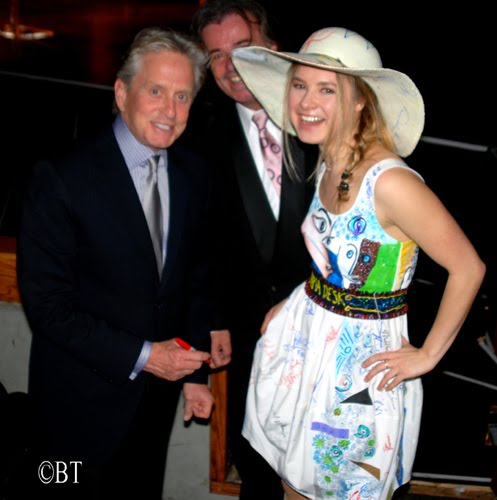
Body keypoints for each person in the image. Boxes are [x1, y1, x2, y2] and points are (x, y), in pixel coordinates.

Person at [231, 27, 486, 499]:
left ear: (362, 100)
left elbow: (469, 267)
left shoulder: (390, 182)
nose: (307, 101)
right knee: (293, 486)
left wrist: (428, 355)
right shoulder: (329, 162)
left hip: (361, 370)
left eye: (328, 89)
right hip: (308, 348)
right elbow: (335, 262)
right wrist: (294, 303)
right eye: (301, 85)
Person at [16, 27, 213, 500]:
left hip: (154, 406)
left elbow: (187, 281)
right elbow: (47, 308)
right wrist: (149, 357)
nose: (170, 110)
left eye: (183, 96)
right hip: (76, 409)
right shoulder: (62, 176)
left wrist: (194, 375)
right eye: (156, 91)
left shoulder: (192, 173)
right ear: (122, 92)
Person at [182, 1, 318, 499]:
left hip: (328, 333)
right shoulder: (198, 135)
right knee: (257, 473)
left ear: (273, 48)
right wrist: (211, 321)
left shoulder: (324, 119)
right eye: (216, 55)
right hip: (247, 340)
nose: (230, 66)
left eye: (243, 48)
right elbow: (196, 247)